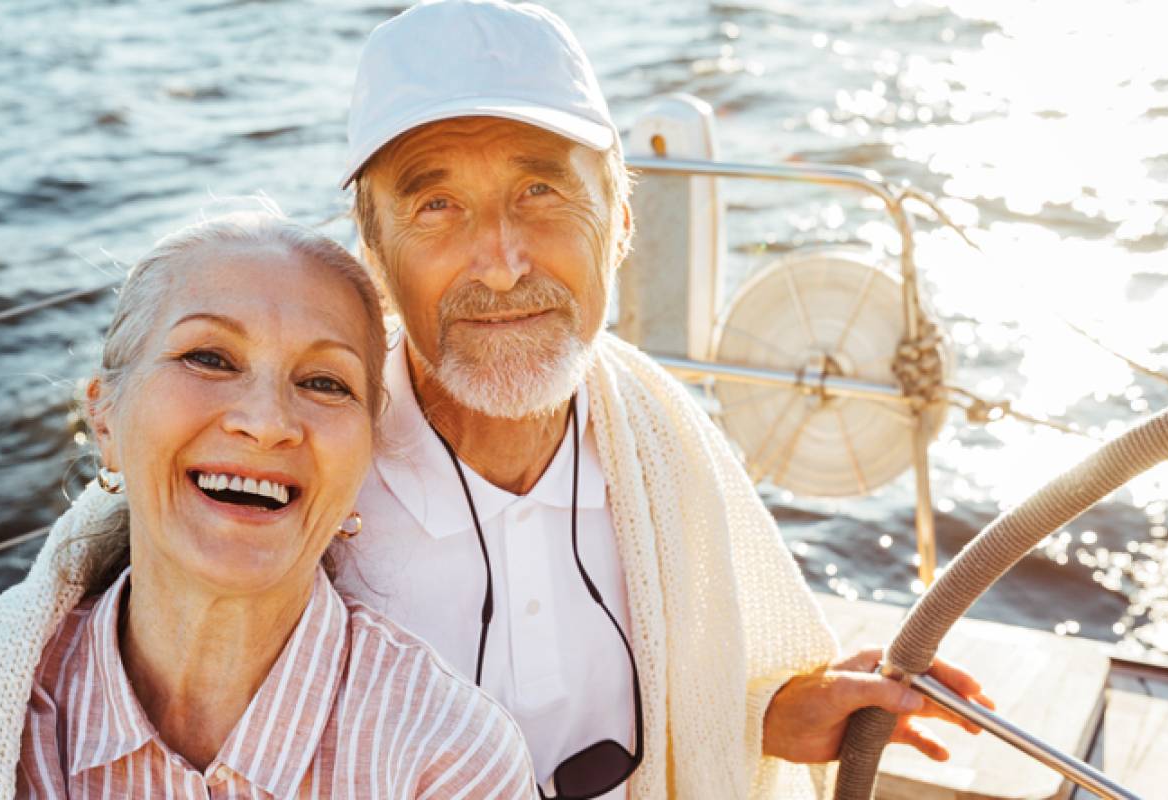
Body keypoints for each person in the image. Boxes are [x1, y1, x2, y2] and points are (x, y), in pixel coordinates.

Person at [331, 2, 994, 798]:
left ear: (619, 223)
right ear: (373, 255)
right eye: (437, 206)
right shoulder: (317, 478)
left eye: (541, 189)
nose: (501, 265)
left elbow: (704, 707)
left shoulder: (659, 436)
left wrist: (772, 714)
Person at [0, 209, 535, 799]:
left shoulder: (449, 761)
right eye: (209, 358)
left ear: (364, 460)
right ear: (105, 420)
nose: (266, 422)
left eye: (325, 383)